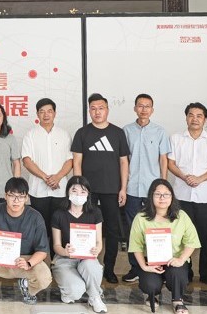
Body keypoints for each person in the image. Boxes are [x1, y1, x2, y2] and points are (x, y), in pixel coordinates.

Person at [167, 102, 207, 285]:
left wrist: (200, 179)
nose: (195, 119)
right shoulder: (175, 138)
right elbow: (170, 164)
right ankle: (184, 272)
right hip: (181, 196)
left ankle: (206, 273)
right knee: (181, 236)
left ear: (205, 119)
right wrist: (185, 177)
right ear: (186, 118)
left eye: (199, 115)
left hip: (205, 197)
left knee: (206, 236)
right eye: (191, 115)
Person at [71, 92, 130, 284]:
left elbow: (124, 162)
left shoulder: (117, 133)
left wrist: (123, 188)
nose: (97, 112)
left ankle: (109, 269)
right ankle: (86, 266)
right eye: (93, 109)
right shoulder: (82, 133)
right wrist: (78, 187)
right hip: (87, 191)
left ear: (107, 110)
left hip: (112, 189)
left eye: (101, 108)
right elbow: (77, 162)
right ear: (89, 111)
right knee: (85, 228)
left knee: (112, 229)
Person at [0, 177, 51, 306]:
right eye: (12, 196)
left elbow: (42, 251)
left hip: (23, 262)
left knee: (45, 277)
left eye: (21, 197)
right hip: (0, 259)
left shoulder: (36, 217)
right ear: (5, 196)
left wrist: (29, 263)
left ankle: (27, 286)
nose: (16, 201)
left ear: (27, 198)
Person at [129, 179, 199, 314]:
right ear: (151, 196)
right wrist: (144, 266)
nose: (162, 198)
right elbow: (136, 245)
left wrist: (181, 259)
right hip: (151, 261)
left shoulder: (181, 216)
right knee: (150, 284)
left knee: (178, 274)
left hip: (175, 260)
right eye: (157, 194)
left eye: (166, 194)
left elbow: (192, 242)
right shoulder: (141, 218)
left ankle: (177, 300)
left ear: (172, 197)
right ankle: (152, 295)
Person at [122, 94, 170, 284]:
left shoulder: (160, 131)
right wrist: (122, 186)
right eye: (140, 106)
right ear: (135, 108)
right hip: (132, 188)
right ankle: (135, 267)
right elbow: (123, 160)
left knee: (156, 228)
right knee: (133, 229)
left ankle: (159, 266)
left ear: (152, 109)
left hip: (153, 190)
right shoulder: (126, 131)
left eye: (147, 106)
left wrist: (163, 185)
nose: (143, 109)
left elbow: (163, 159)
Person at [50, 175, 108, 312]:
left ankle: (95, 297)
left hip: (87, 258)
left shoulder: (95, 213)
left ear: (88, 194)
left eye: (83, 191)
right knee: (76, 291)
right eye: (74, 190)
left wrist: (97, 249)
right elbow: (56, 245)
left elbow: (99, 242)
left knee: (90, 266)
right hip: (64, 259)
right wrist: (65, 251)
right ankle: (71, 290)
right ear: (68, 192)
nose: (78, 195)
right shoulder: (59, 214)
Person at [21, 97, 72, 241]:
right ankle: (41, 254)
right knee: (39, 225)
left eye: (49, 111)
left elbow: (70, 160)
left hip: (60, 189)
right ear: (37, 114)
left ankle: (58, 254)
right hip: (38, 189)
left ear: (55, 113)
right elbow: (26, 160)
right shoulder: (30, 134)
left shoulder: (64, 134)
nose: (46, 114)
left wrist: (58, 177)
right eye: (42, 111)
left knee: (59, 226)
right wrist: (46, 177)